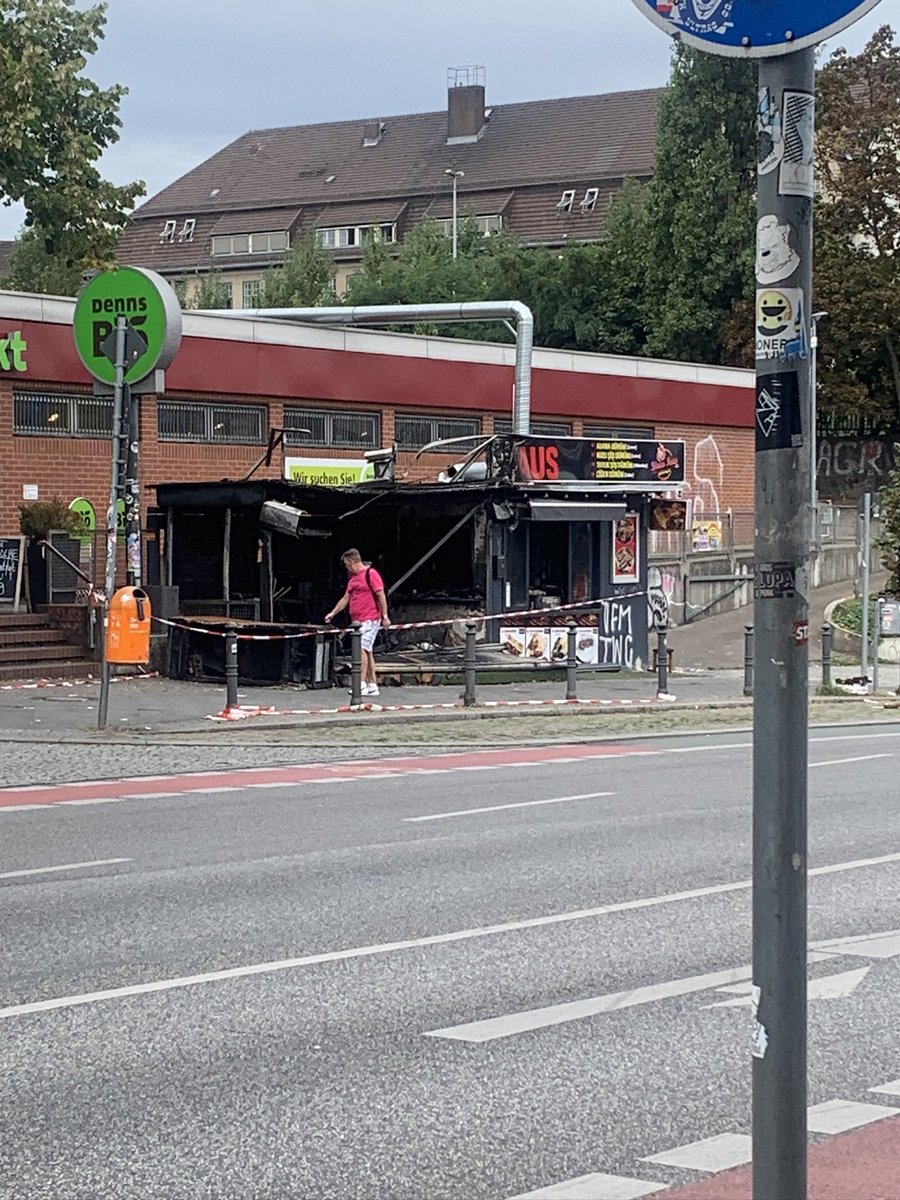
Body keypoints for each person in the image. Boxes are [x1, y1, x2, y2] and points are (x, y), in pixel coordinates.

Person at [324, 549, 390, 696]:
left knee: (360, 647)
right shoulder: (353, 580)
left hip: (370, 618)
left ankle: (361, 684)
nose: (347, 568)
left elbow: (381, 595)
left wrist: (385, 616)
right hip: (358, 620)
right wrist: (333, 613)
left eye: (347, 565)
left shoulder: (371, 574)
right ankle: (372, 684)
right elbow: (345, 599)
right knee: (367, 650)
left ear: (353, 562)